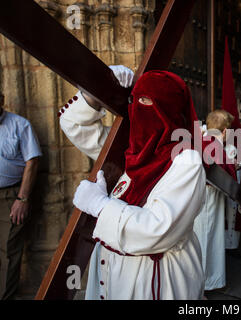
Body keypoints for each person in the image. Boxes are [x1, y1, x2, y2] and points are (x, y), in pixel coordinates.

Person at [59, 66, 206, 300]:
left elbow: (158, 230)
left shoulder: (186, 161)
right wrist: (94, 95)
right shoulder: (129, 147)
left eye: (151, 102)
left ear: (172, 110)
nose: (141, 108)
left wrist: (100, 206)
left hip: (156, 278)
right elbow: (75, 127)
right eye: (137, 100)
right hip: (112, 274)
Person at [0, 92, 42, 299]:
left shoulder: (19, 125)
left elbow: (32, 161)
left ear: (1, 100)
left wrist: (22, 199)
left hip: (10, 196)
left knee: (8, 251)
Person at [193, 109, 236, 294]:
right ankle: (200, 288)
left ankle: (209, 281)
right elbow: (228, 179)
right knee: (206, 239)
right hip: (209, 198)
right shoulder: (215, 146)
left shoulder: (198, 141)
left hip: (197, 197)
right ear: (225, 131)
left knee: (203, 239)